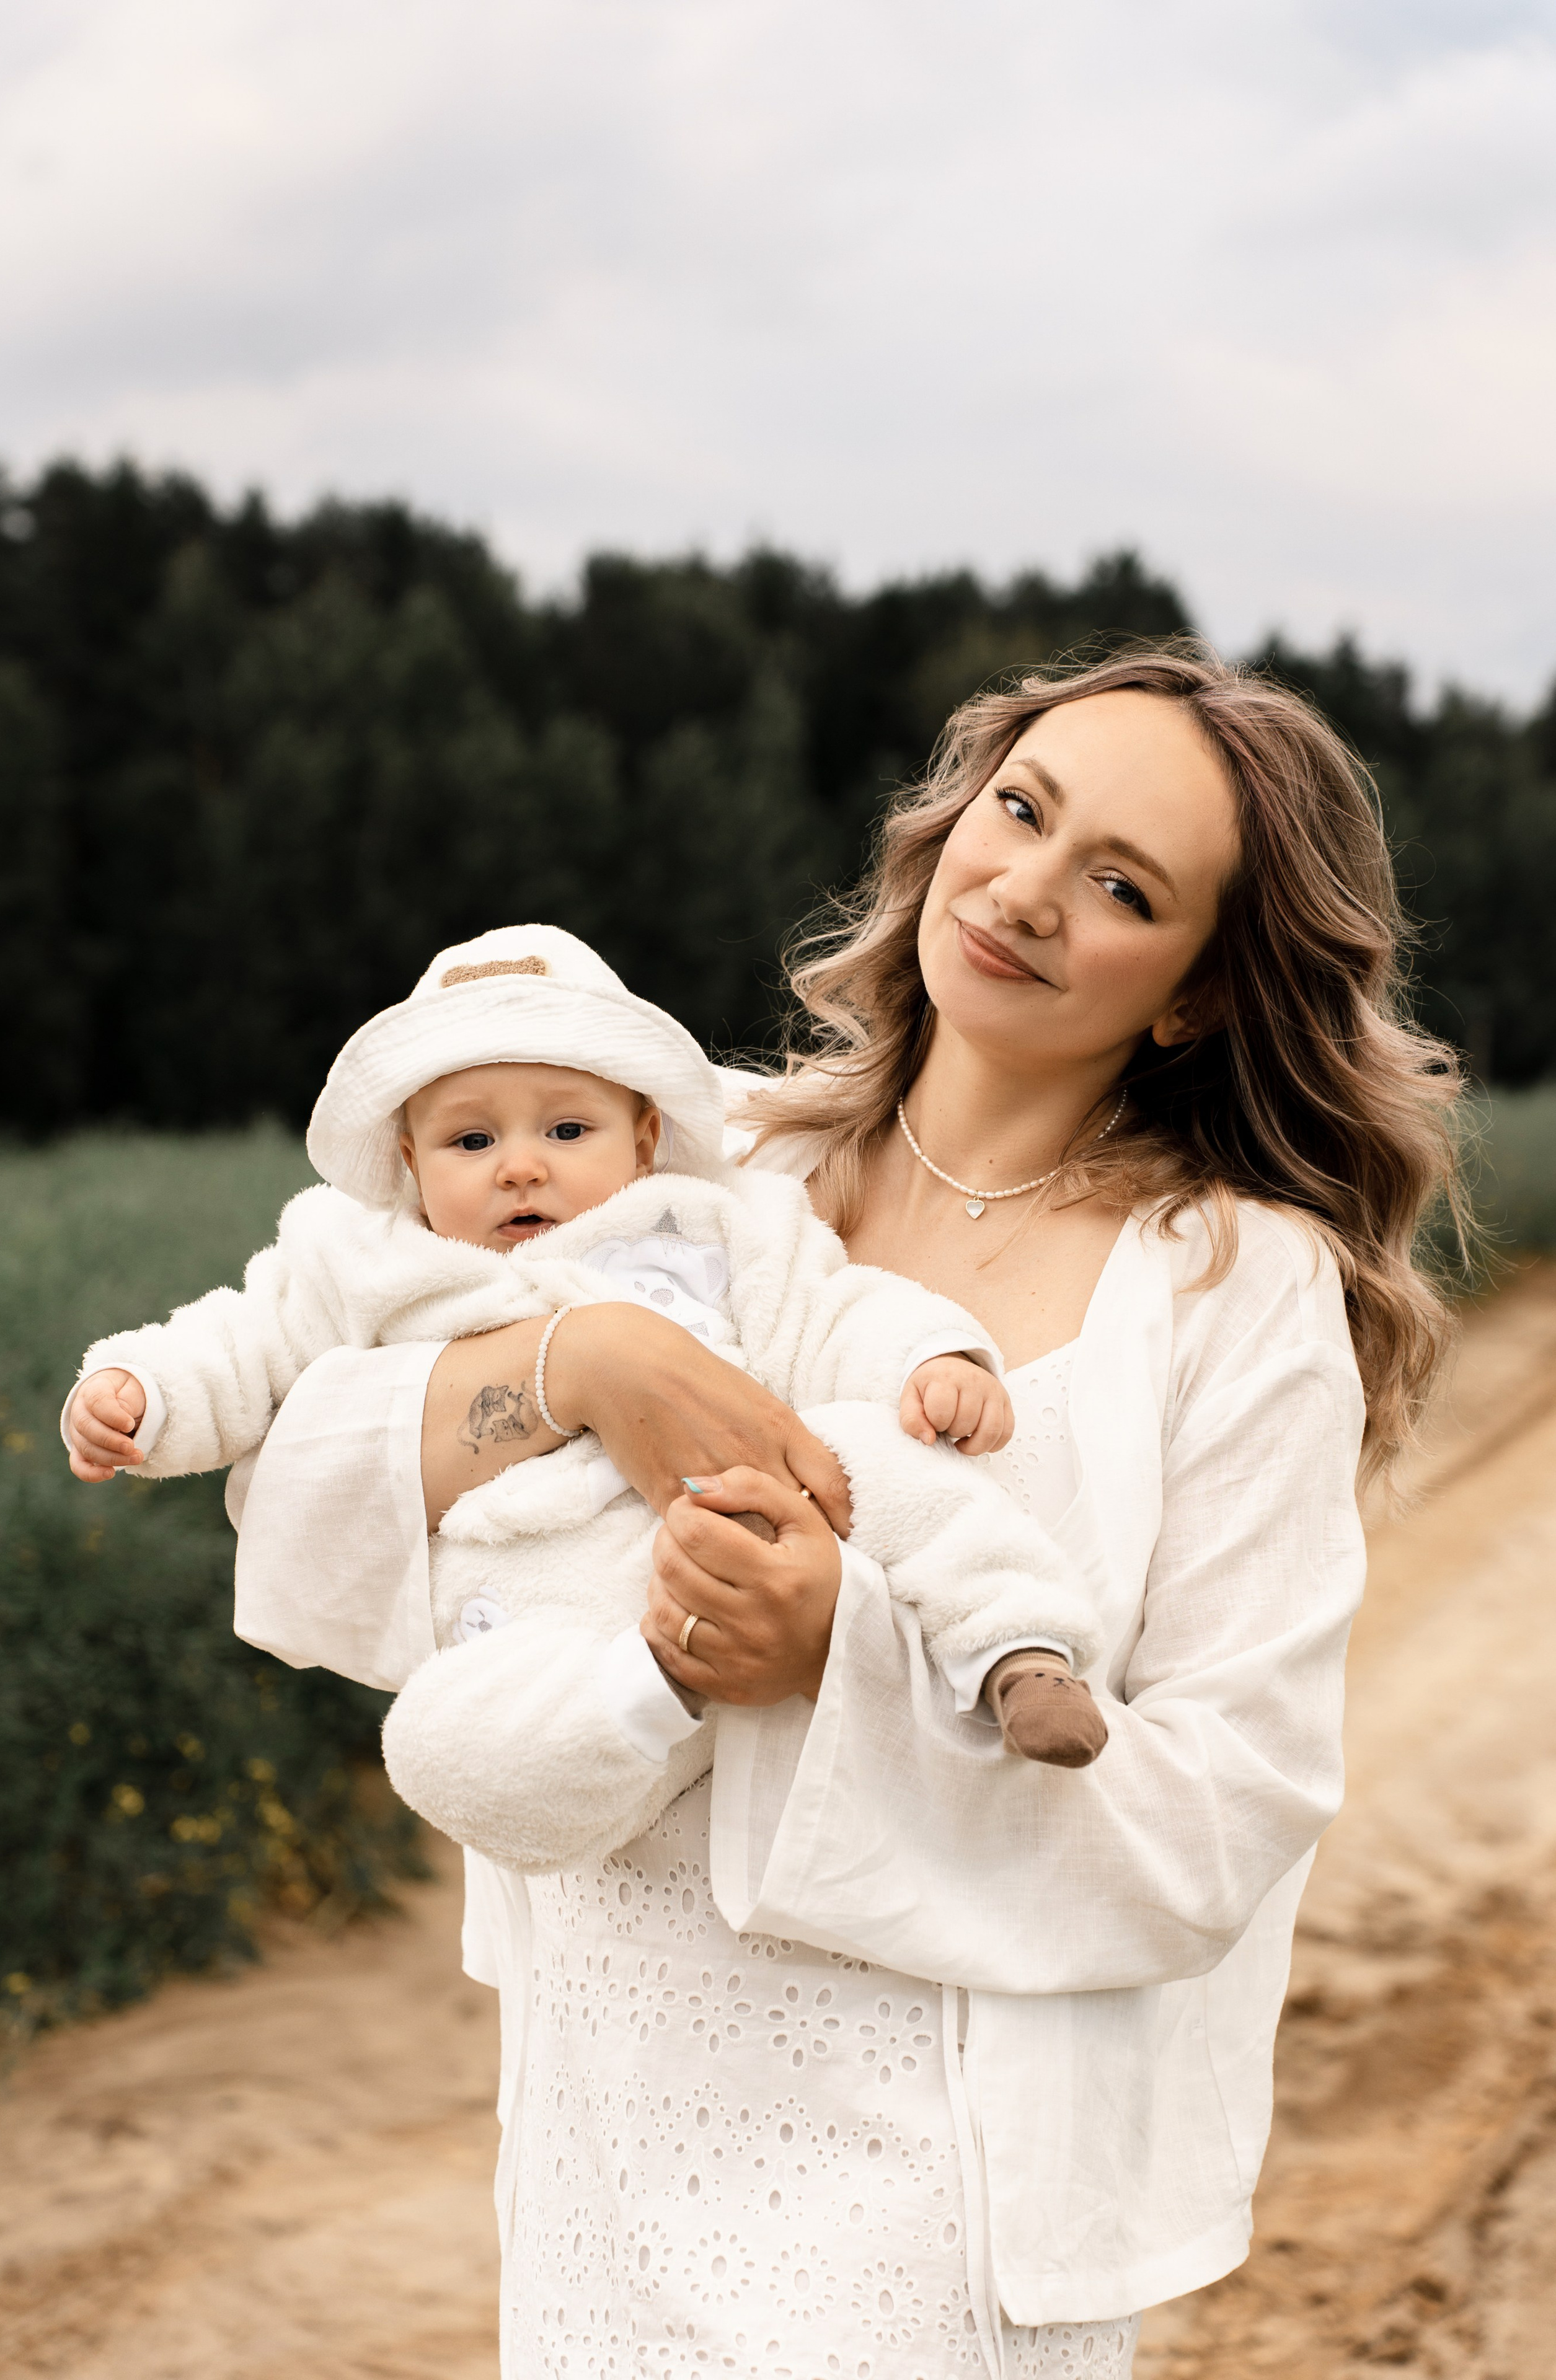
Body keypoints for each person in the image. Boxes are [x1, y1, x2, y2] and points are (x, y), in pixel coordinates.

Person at [221, 645, 1465, 2378]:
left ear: (1192, 991)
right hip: (610, 2123)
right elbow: (296, 1471)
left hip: (945, 2186)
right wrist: (588, 1360)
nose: (1027, 890)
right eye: (1020, 810)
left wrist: (835, 1656)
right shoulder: (694, 1164)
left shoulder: (1233, 1288)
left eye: (1121, 886)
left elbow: (1222, 1817)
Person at [60, 925, 1108, 1848]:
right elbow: (242, 1340)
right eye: (472, 1141)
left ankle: (1014, 1647)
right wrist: (141, 1390)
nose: (520, 1168)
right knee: (435, 1738)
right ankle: (658, 1687)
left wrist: (931, 1357)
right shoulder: (358, 1255)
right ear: (408, 1158)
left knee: (873, 1456)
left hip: (750, 1518)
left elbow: (833, 1311)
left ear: (644, 1137)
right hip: (538, 1601)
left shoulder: (711, 1225)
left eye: (567, 1132)